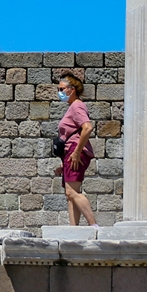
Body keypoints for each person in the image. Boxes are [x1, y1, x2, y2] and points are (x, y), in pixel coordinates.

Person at [54, 73, 98, 227]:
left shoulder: (77, 105)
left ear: (71, 89)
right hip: (70, 153)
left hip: (74, 152)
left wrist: (77, 151)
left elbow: (87, 127)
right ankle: (74, 231)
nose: (59, 92)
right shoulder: (72, 107)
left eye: (61, 88)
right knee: (70, 195)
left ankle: (94, 226)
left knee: (72, 192)